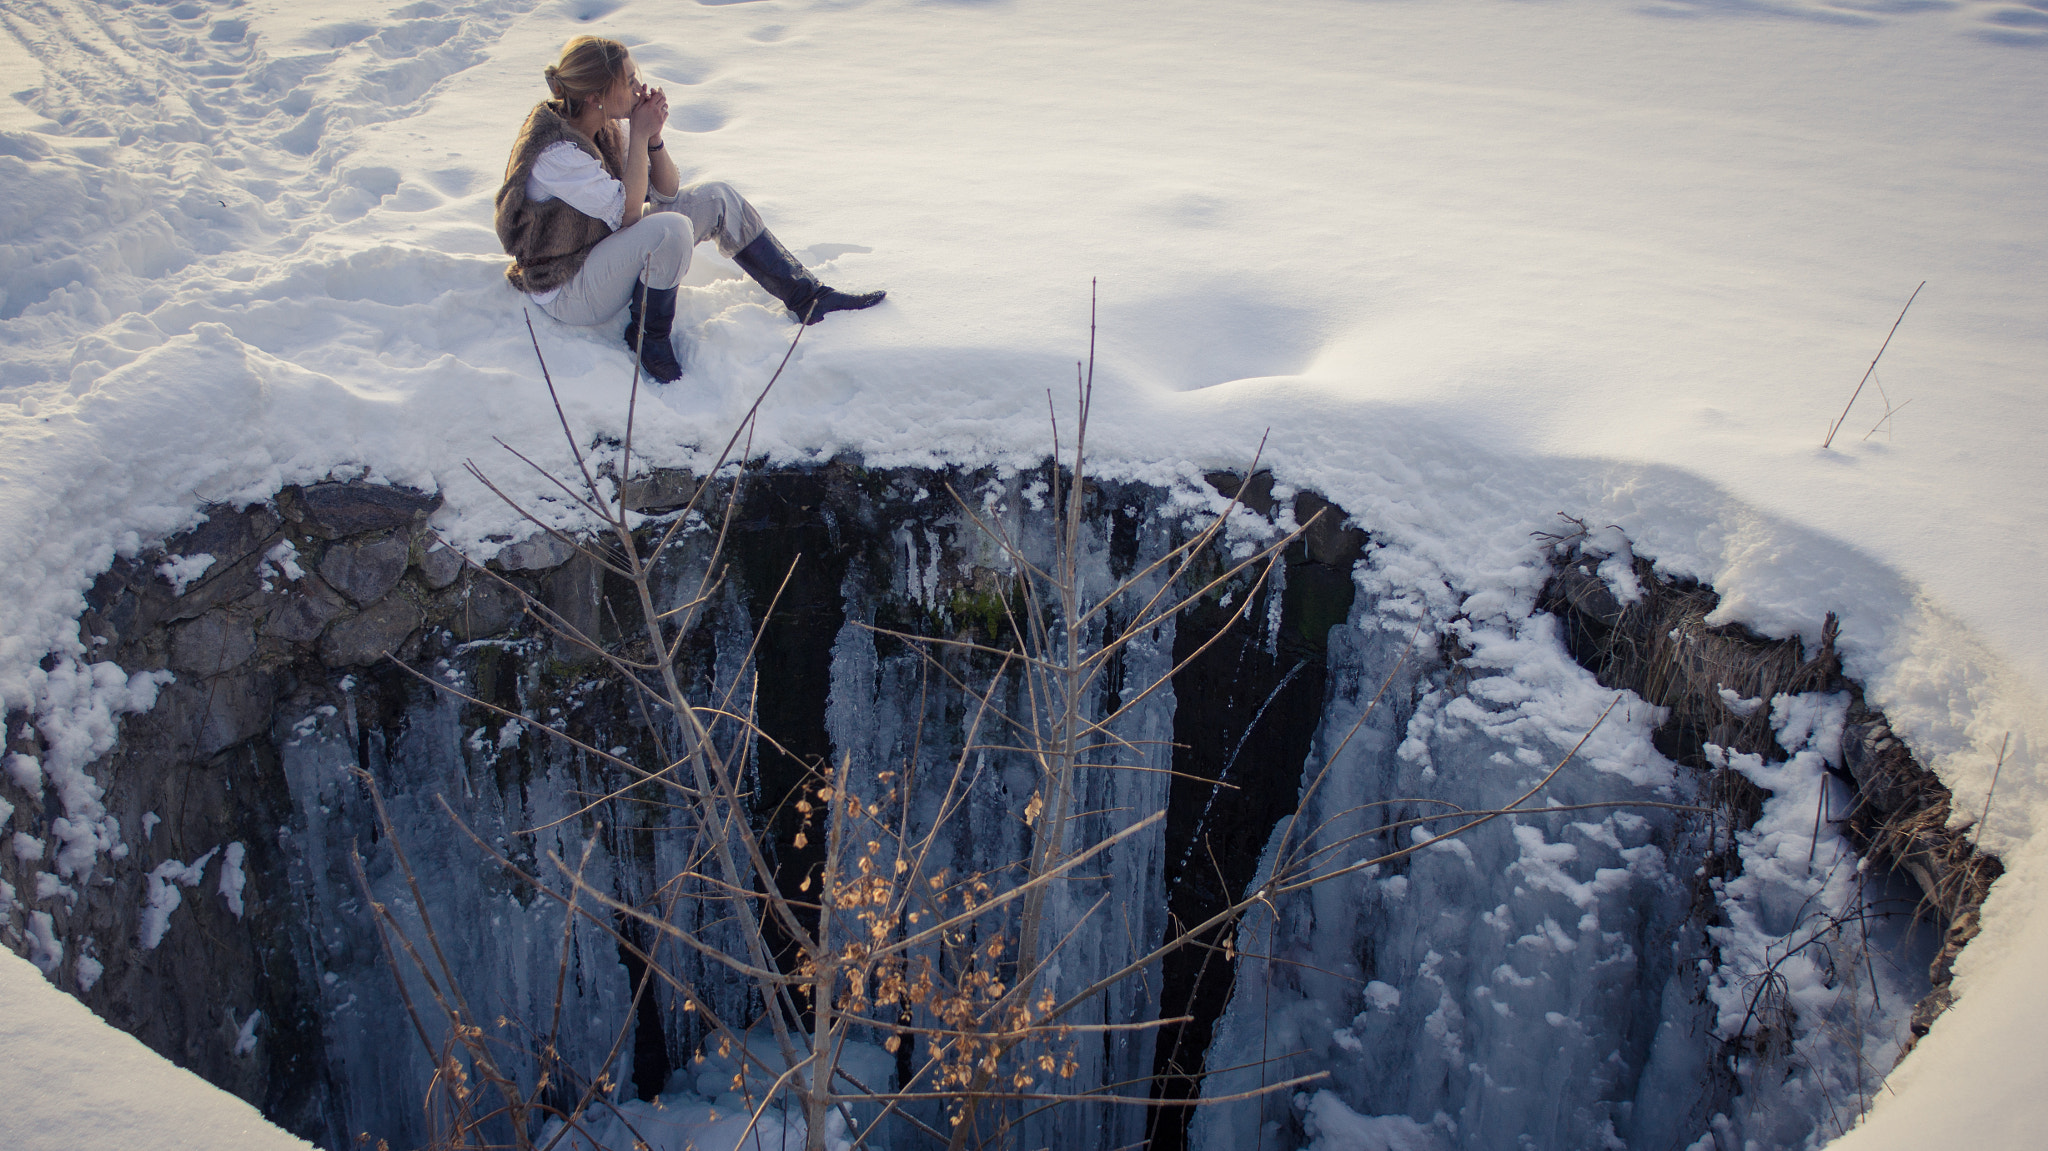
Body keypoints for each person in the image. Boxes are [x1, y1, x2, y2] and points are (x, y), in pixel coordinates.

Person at [495, 36, 884, 383]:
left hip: (602, 251)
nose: (638, 86)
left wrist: (654, 138)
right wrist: (642, 132)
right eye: (628, 80)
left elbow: (667, 189)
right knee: (671, 230)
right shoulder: (555, 152)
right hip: (568, 286)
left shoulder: (604, 122)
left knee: (717, 197)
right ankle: (649, 338)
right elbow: (629, 215)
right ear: (598, 93)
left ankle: (809, 297)